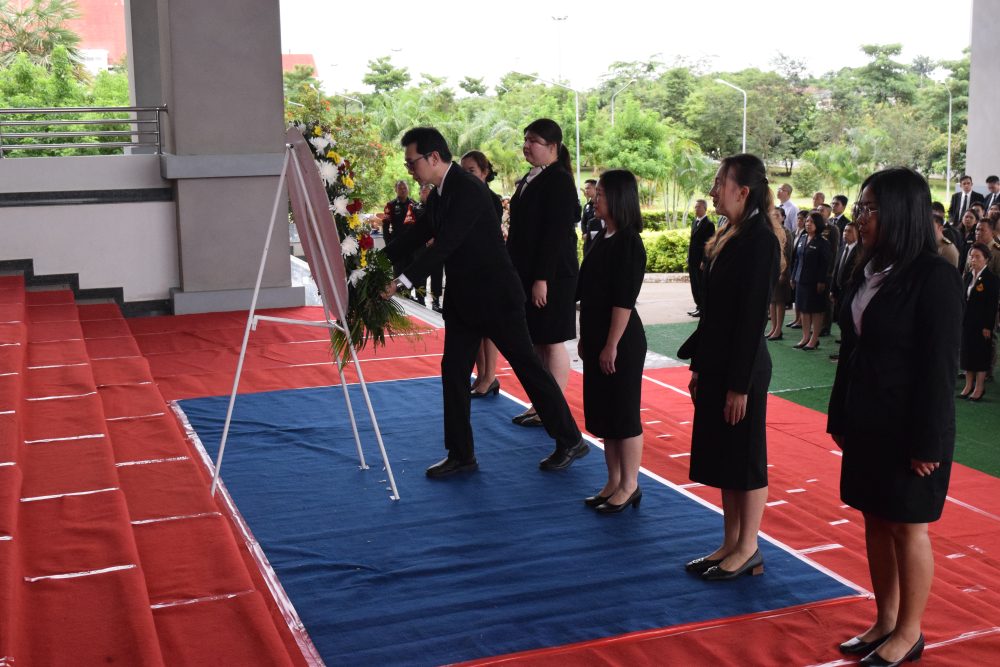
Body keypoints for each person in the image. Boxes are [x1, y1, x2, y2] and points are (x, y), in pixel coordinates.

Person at [382, 127, 588, 476]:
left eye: (411, 162)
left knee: (528, 368)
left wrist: (400, 282)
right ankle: (461, 454)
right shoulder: (441, 193)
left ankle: (570, 439)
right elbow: (418, 234)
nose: (409, 169)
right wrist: (374, 261)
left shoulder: (467, 188)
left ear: (434, 157)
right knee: (453, 372)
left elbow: (446, 244)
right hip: (465, 300)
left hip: (496, 298)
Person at [829, 167, 963, 666]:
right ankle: (885, 620)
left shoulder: (934, 277)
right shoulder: (867, 268)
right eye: (861, 207)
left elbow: (939, 366)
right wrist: (840, 415)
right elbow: (851, 351)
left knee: (907, 527)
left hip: (910, 428)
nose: (860, 217)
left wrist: (928, 442)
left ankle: (909, 632)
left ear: (901, 213)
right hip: (867, 419)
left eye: (870, 208)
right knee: (875, 518)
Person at [677, 154, 780, 581]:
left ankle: (748, 548)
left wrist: (739, 385)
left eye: (721, 182)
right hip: (718, 359)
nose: (713, 190)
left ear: (744, 191)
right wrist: (700, 367)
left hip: (744, 367)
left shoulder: (760, 240)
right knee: (724, 455)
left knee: (745, 457)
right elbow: (715, 313)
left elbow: (751, 319)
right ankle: (731, 542)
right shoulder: (731, 232)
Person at [577, 170, 648, 513]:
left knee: (623, 414)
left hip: (620, 340)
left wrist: (610, 344)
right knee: (605, 413)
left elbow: (624, 300)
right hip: (597, 335)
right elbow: (587, 291)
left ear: (619, 197)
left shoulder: (629, 242)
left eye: (602, 193)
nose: (595, 198)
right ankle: (613, 480)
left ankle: (630, 484)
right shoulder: (601, 235)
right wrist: (586, 338)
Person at [505, 118, 581, 428]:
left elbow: (555, 234)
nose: (526, 146)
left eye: (533, 141)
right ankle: (541, 402)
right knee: (537, 339)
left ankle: (554, 405)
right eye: (525, 139)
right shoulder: (532, 176)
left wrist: (542, 279)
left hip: (553, 275)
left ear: (552, 146)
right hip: (530, 272)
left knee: (552, 340)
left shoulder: (558, 179)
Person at [460, 150, 503, 398]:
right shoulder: (462, 198)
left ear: (485, 173)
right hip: (468, 269)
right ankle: (482, 374)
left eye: (472, 171)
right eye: (463, 171)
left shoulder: (491, 200)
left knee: (489, 328)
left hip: (488, 269)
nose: (467, 176)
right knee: (475, 326)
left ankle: (490, 376)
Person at [959, 243, 999, 401]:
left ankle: (979, 387)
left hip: (982, 324)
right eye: (971, 256)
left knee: (980, 355)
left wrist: (988, 326)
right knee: (967, 353)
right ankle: (968, 385)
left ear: (986, 259)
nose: (973, 259)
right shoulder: (968, 276)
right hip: (967, 322)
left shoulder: (991, 279)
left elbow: (992, 306)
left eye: (977, 256)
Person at [791, 211, 832, 350]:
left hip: (815, 282)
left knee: (815, 310)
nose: (808, 224)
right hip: (801, 280)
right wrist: (793, 277)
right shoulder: (803, 238)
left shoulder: (823, 242)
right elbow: (797, 260)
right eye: (807, 221)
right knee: (803, 309)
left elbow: (825, 264)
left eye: (812, 222)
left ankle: (814, 339)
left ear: (818, 224)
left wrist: (821, 281)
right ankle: (805, 337)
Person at [829, 222, 861, 361]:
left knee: (849, 323)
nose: (845, 233)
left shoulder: (860, 251)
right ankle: (843, 350)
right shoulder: (843, 248)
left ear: (857, 234)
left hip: (850, 292)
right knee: (841, 322)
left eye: (849, 231)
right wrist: (833, 289)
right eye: (845, 231)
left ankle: (848, 353)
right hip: (839, 292)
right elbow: (836, 270)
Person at [766, 206, 792, 341]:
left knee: (779, 301)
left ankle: (778, 330)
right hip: (771, 270)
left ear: (783, 218)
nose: (774, 217)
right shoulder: (769, 230)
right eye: (772, 215)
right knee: (772, 300)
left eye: (777, 215)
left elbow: (788, 254)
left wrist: (783, 272)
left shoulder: (786, 232)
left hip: (782, 270)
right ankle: (773, 327)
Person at [383, 180, 418, 278]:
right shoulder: (390, 205)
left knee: (411, 272)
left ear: (408, 189)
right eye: (400, 188)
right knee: (398, 272)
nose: (403, 190)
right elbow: (385, 226)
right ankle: (398, 288)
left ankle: (409, 289)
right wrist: (389, 243)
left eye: (405, 188)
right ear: (396, 190)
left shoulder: (414, 204)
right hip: (397, 244)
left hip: (411, 244)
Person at [687, 198, 715, 318]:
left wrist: (704, 260)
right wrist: (688, 256)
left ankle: (703, 308)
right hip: (692, 259)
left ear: (705, 208)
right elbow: (692, 242)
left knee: (701, 285)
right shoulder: (694, 221)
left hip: (700, 261)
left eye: (698, 207)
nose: (696, 209)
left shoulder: (709, 224)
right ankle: (698, 306)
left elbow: (709, 245)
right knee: (694, 284)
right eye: (695, 207)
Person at [580, 179, 603, 256]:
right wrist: (584, 233)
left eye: (588, 188)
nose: (586, 191)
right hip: (588, 241)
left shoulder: (603, 204)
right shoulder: (587, 206)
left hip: (599, 240)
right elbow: (583, 221)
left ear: (595, 189)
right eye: (585, 188)